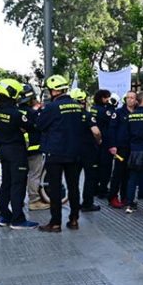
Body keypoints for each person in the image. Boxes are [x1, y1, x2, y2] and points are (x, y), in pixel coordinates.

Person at [37, 75, 101, 232]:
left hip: (56, 153)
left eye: (50, 90)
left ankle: (56, 222)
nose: (49, 93)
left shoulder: (51, 107)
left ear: (56, 90)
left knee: (56, 188)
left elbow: (39, 125)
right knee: (73, 187)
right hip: (75, 153)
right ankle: (74, 219)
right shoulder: (77, 107)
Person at [0, 79, 38, 230]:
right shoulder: (15, 113)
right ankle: (18, 219)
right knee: (18, 184)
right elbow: (33, 127)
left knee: (6, 183)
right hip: (16, 151)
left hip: (3, 151)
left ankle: (4, 215)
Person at [71, 88, 101, 212]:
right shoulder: (87, 115)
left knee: (73, 179)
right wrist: (99, 140)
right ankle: (87, 204)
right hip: (88, 151)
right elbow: (96, 131)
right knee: (90, 178)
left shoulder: (68, 117)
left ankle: (74, 203)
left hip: (73, 151)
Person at [19, 83, 48, 211]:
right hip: (33, 148)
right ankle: (34, 200)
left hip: (18, 149)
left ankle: (18, 200)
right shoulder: (32, 113)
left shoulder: (16, 111)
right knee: (34, 174)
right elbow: (41, 127)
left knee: (19, 175)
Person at [125, 91, 143, 214]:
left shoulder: (131, 115)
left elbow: (127, 133)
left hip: (134, 150)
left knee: (132, 178)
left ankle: (130, 204)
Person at [108, 91, 137, 209]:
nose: (130, 100)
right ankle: (113, 197)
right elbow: (112, 130)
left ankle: (125, 197)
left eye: (132, 98)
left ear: (136, 100)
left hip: (133, 146)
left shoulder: (137, 112)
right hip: (121, 147)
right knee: (118, 173)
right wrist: (112, 145)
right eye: (128, 97)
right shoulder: (118, 113)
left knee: (128, 174)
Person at [92, 89, 115, 199]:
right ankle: (103, 189)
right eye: (107, 97)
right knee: (106, 167)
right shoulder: (105, 110)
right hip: (105, 141)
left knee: (96, 167)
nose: (108, 99)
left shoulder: (93, 109)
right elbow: (110, 118)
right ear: (102, 98)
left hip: (95, 142)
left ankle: (94, 188)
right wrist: (112, 106)